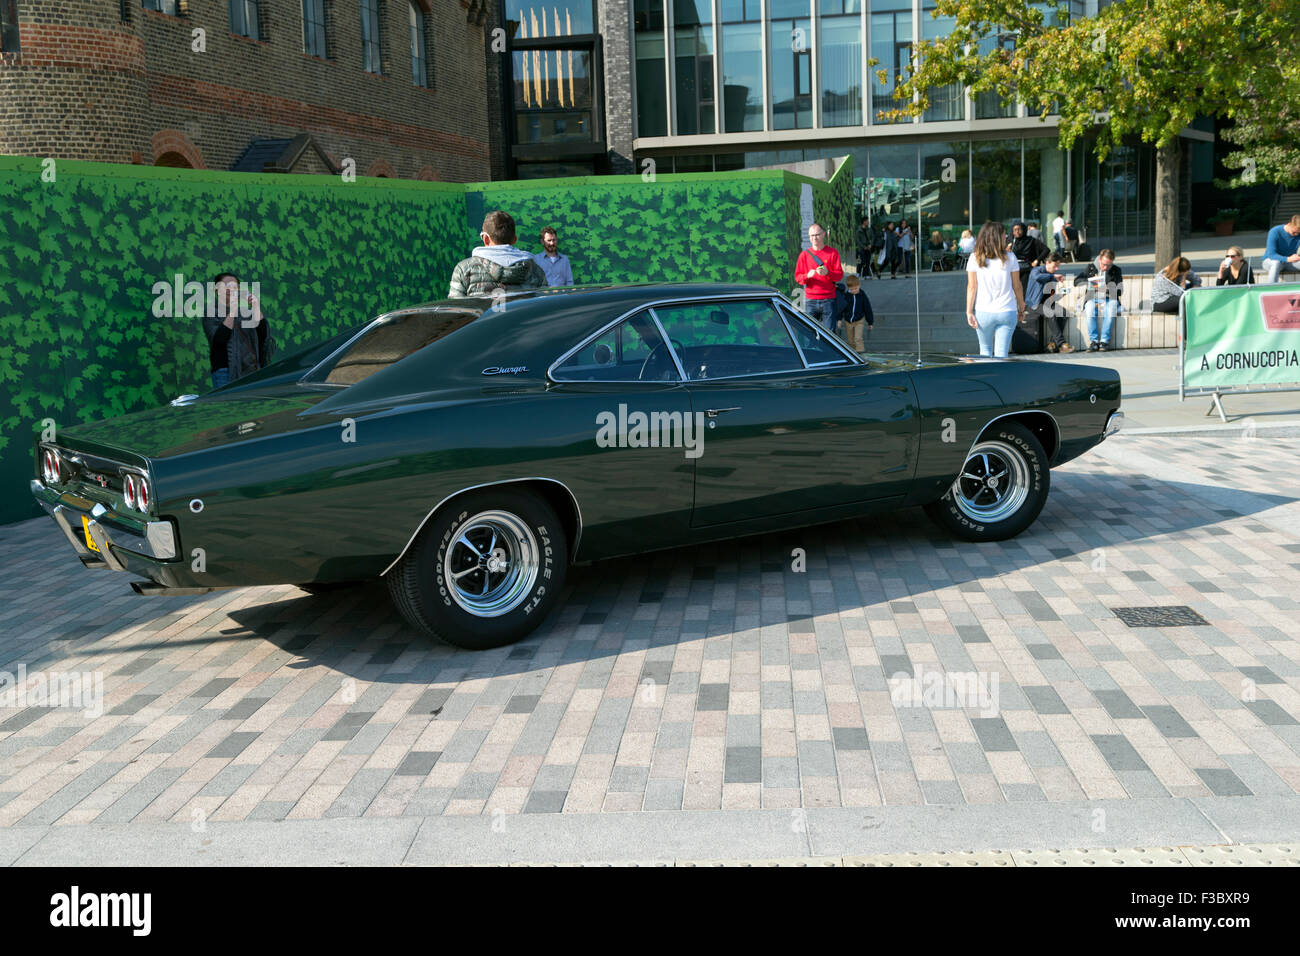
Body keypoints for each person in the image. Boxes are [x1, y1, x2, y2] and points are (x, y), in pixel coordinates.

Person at [449, 210, 547, 297]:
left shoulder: (463, 269)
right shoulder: (536, 271)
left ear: (485, 239)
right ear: (514, 240)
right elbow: (544, 308)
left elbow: (457, 312)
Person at [965, 220, 1026, 358]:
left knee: (985, 351)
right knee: (1001, 354)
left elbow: (972, 287)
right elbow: (1017, 285)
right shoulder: (1010, 257)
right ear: (997, 237)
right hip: (1007, 311)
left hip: (983, 311)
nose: (1006, 237)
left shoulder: (975, 258)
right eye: (1004, 234)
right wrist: (1021, 307)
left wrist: (969, 311)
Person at [202, 272, 268, 389]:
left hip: (251, 369)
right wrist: (232, 311)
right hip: (225, 372)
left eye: (234, 286)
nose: (230, 289)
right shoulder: (211, 312)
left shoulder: (245, 312)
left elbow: (263, 334)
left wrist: (255, 307)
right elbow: (219, 340)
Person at [794, 222, 843, 332]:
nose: (814, 238)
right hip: (810, 300)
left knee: (830, 335)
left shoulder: (832, 253)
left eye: (817, 234)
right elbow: (798, 278)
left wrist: (828, 273)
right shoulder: (804, 255)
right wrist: (807, 276)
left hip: (828, 300)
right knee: (809, 333)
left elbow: (839, 275)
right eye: (811, 235)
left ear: (823, 234)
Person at [1074, 248, 1123, 351]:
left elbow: (1120, 290)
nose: (1105, 267)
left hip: (1109, 298)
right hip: (1093, 298)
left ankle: (1104, 341)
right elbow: (1076, 281)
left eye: (1109, 265)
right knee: (1090, 308)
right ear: (1100, 259)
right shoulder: (1091, 268)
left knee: (1110, 309)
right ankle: (1094, 341)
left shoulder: (1116, 270)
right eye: (1104, 264)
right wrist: (1091, 282)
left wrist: (1108, 289)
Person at [1025, 252, 1072, 353]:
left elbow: (1050, 297)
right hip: (1034, 304)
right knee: (1050, 313)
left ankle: (1052, 344)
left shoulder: (1052, 276)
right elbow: (1038, 277)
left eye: (1058, 266)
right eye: (1055, 266)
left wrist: (1060, 295)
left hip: (1046, 304)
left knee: (1064, 313)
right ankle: (1062, 344)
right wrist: (1053, 277)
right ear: (1047, 262)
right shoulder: (1036, 270)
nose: (1056, 269)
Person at [838, 273, 874, 351]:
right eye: (852, 289)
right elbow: (841, 308)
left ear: (859, 285)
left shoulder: (862, 295)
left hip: (859, 320)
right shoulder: (846, 296)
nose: (854, 291)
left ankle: (861, 354)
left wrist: (870, 322)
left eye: (856, 288)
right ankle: (854, 356)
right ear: (848, 288)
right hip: (848, 321)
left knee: (858, 338)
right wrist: (839, 319)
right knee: (851, 341)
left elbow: (867, 308)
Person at [1008, 220, 1050, 289]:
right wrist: (1007, 249)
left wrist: (1037, 260)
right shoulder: (1010, 241)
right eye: (1015, 230)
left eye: (1019, 229)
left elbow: (1046, 250)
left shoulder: (1031, 240)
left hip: (1026, 269)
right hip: (1012, 269)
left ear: (1024, 230)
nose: (1017, 232)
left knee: (1024, 290)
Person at [1262, 214, 1300, 283]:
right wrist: (1288, 259)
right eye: (1294, 232)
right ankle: (1271, 289)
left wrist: (1296, 257)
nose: (1296, 235)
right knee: (1276, 263)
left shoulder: (1298, 233)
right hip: (1270, 261)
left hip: (1289, 262)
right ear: (1289, 224)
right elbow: (1271, 255)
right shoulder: (1275, 231)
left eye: (1298, 233)